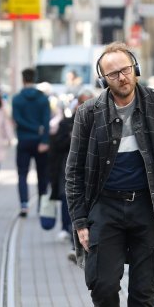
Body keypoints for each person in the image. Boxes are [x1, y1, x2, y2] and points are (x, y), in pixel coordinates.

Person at [65, 41, 154, 307]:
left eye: (125, 70)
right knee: (103, 284)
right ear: (103, 80)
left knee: (145, 288)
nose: (121, 77)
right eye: (113, 74)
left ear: (135, 68)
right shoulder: (89, 113)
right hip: (105, 206)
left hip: (149, 207)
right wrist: (80, 220)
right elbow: (73, 171)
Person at [50, 88, 94, 256]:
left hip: (90, 170)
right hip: (68, 166)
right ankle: (68, 233)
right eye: (82, 102)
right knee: (67, 198)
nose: (84, 106)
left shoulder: (101, 122)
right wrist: (69, 137)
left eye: (88, 102)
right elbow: (56, 146)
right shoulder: (67, 123)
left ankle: (79, 240)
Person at [12, 68, 51, 217]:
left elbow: (17, 119)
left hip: (23, 140)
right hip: (40, 142)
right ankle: (41, 205)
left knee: (22, 174)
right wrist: (44, 138)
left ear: (23, 80)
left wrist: (32, 128)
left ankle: (24, 205)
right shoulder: (43, 99)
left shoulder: (17, 99)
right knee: (42, 175)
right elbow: (46, 121)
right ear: (35, 79)